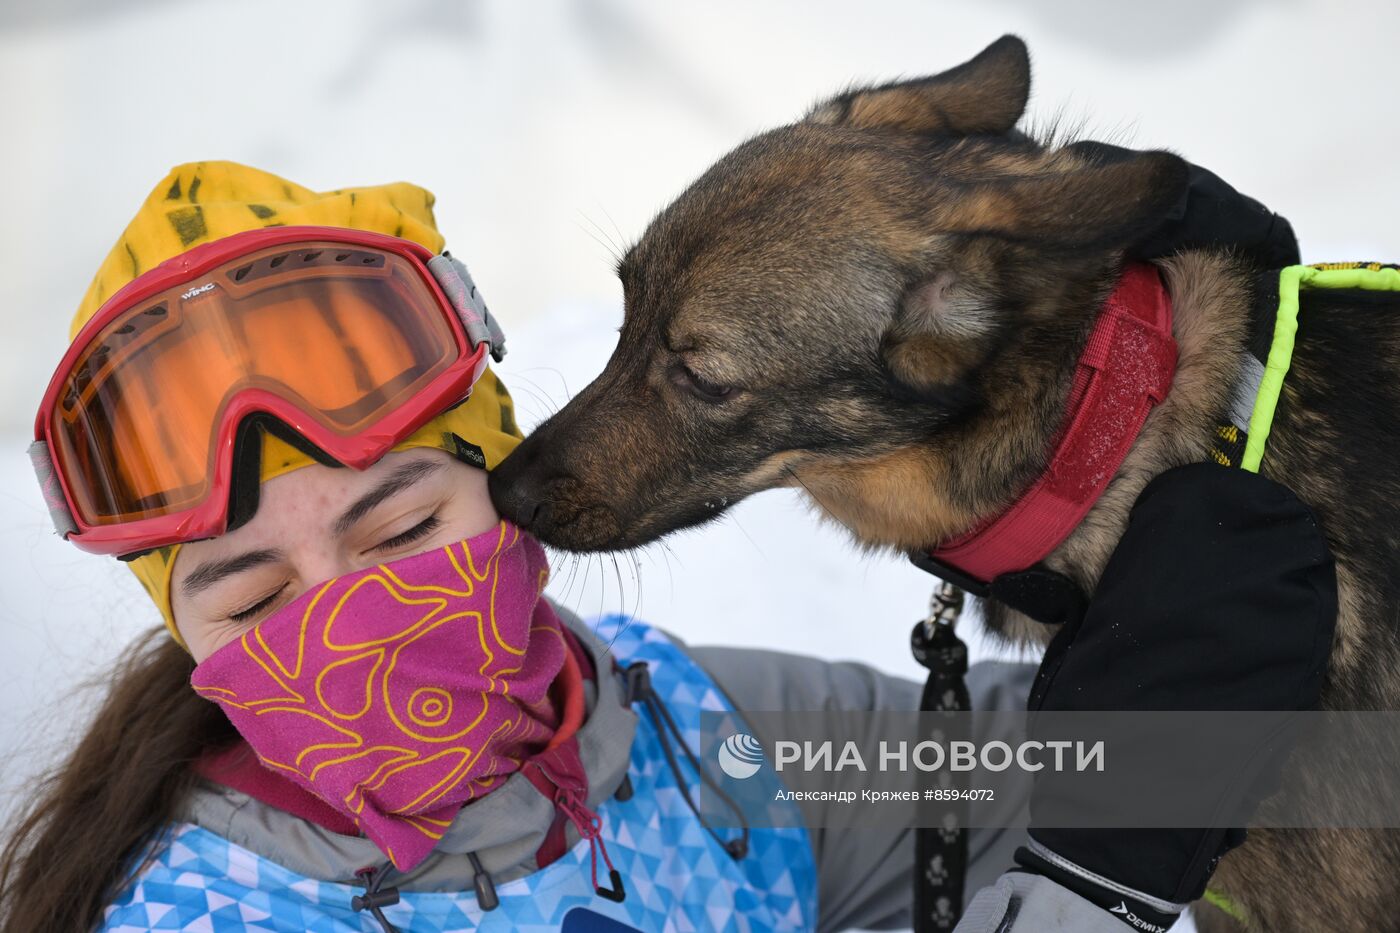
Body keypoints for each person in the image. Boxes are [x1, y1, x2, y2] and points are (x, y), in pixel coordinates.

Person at [0, 162, 1036, 933]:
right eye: (255, 604)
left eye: (404, 530)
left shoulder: (692, 746)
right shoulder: (203, 916)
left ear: (505, 501)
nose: (349, 626)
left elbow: (1129, 762)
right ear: (188, 637)